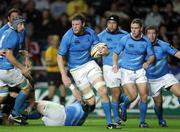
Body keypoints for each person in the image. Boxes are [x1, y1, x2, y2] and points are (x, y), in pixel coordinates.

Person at [57, 14, 117, 129]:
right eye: (73, 25)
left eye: (77, 24)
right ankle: (80, 107)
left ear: (83, 24)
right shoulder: (67, 37)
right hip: (76, 70)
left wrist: (105, 51)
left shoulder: (91, 32)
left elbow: (101, 48)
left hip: (90, 64)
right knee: (91, 102)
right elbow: (59, 57)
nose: (74, 27)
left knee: (103, 90)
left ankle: (110, 123)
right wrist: (64, 75)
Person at [113, 18, 155, 128]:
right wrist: (114, 63)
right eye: (132, 28)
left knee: (144, 96)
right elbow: (116, 53)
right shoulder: (125, 39)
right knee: (133, 96)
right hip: (126, 70)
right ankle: (124, 105)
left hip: (140, 70)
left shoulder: (146, 41)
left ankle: (142, 122)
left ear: (141, 28)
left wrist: (148, 62)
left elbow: (152, 56)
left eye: (136, 28)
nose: (134, 30)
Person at [145, 25, 180, 127]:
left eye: (153, 33)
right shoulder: (142, 45)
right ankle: (161, 120)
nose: (151, 36)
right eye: (149, 33)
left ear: (157, 34)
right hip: (151, 79)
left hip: (165, 76)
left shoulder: (164, 45)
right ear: (146, 34)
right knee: (158, 103)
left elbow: (177, 53)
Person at [0, 16, 33, 125]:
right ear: (15, 25)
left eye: (23, 24)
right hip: (6, 69)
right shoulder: (13, 35)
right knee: (27, 87)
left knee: (2, 96)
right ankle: (15, 114)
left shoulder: (6, 32)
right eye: (21, 24)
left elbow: (8, 50)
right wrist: (23, 68)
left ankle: (4, 115)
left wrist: (22, 53)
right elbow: (9, 56)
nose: (23, 27)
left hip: (0, 68)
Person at [98, 14, 128, 126]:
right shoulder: (100, 36)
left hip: (125, 66)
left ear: (118, 24)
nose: (111, 25)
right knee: (116, 91)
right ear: (106, 24)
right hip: (109, 66)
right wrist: (101, 53)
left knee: (132, 93)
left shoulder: (125, 35)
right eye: (109, 23)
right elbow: (93, 52)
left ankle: (123, 107)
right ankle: (116, 119)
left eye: (114, 23)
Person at [43, 35, 66, 105]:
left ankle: (63, 110)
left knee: (63, 91)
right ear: (52, 41)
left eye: (58, 40)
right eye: (55, 40)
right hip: (52, 73)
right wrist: (58, 61)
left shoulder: (59, 50)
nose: (57, 42)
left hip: (59, 73)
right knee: (51, 94)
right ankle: (40, 105)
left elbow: (64, 60)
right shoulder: (49, 50)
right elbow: (48, 63)